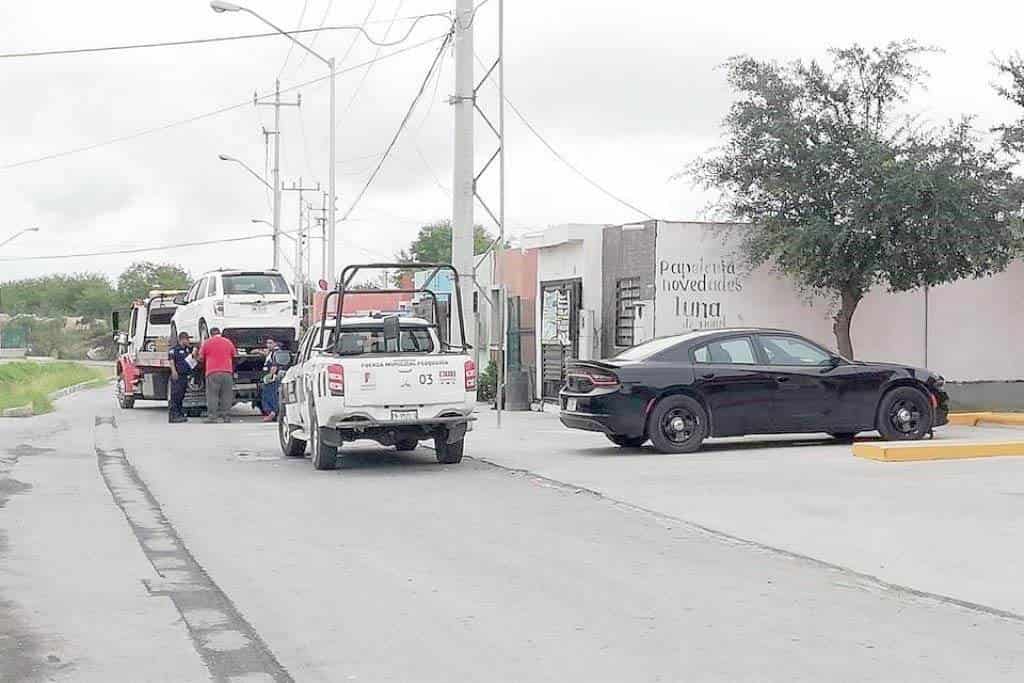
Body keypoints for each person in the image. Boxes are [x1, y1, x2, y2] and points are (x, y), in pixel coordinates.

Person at [198, 327, 237, 423]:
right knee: (226, 395)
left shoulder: (207, 343)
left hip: (212, 372)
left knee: (212, 395)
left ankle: (212, 417)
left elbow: (200, 358)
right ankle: (226, 416)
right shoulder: (228, 342)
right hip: (227, 372)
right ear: (220, 333)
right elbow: (235, 356)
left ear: (211, 334)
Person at [167, 331, 195, 423]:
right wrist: (173, 371)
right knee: (175, 395)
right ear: (182, 339)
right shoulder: (174, 349)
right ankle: (173, 416)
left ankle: (179, 414)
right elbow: (171, 361)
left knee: (181, 396)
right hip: (177, 375)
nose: (188, 341)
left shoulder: (188, 350)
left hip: (184, 376)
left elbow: (192, 358)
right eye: (187, 339)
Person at [260, 338, 281, 422]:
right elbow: (266, 354)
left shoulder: (276, 353)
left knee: (269, 396)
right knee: (269, 396)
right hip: (270, 377)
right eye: (267, 343)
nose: (268, 345)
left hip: (272, 379)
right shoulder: (271, 352)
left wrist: (270, 376)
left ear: (275, 343)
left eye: (270, 343)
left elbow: (274, 366)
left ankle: (272, 413)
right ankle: (274, 413)